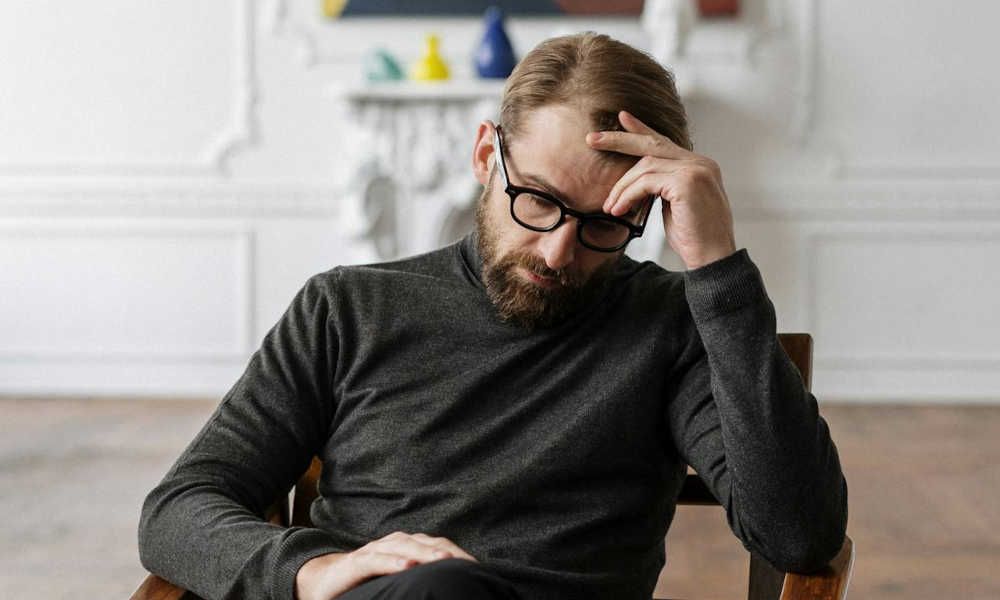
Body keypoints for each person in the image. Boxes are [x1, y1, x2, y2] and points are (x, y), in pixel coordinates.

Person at [138, 32, 848, 600]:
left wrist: (717, 266)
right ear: (487, 157)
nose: (557, 251)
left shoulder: (673, 327)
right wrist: (311, 571)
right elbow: (178, 509)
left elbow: (799, 535)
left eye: (604, 224)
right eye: (536, 200)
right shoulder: (347, 308)